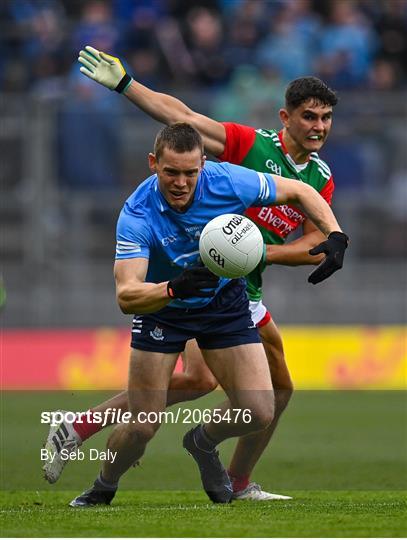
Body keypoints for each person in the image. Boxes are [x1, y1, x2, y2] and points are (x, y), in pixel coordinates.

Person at [43, 46, 340, 501]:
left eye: (325, 119)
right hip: (191, 284)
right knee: (240, 389)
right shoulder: (247, 147)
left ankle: (221, 469)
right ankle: (221, 474)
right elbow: (181, 115)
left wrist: (256, 254)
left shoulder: (319, 179)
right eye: (309, 117)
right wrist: (126, 84)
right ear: (286, 117)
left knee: (263, 392)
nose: (318, 127)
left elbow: (312, 243)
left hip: (236, 284)